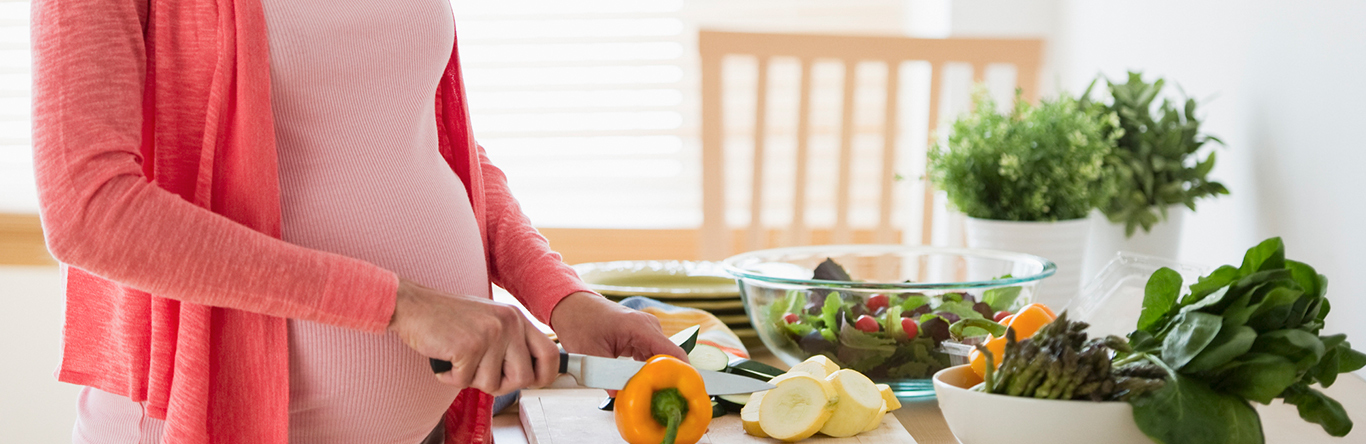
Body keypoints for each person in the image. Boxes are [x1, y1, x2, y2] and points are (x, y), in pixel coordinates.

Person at [30, 0, 686, 443]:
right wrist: (397, 305)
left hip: (429, 427)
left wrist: (560, 295)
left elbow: (427, 138)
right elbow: (91, 210)